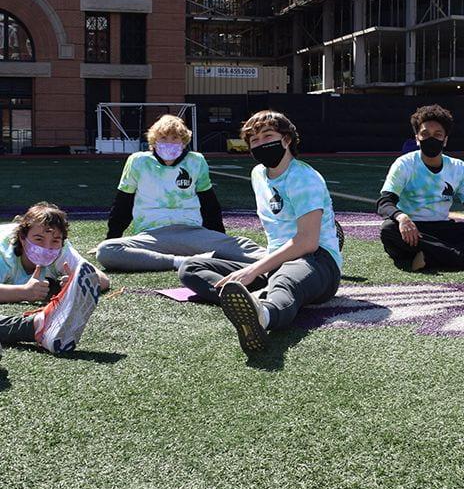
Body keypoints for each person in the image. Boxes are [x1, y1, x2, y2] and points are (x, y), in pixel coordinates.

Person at [179, 111, 341, 357]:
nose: (261, 144)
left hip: (317, 261)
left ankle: (263, 314)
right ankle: (245, 299)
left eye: (268, 136)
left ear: (286, 140)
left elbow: (307, 242)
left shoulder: (304, 178)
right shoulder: (258, 174)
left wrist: (253, 270)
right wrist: (256, 269)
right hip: (275, 259)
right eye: (254, 140)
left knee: (284, 280)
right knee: (190, 268)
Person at [96, 114, 265, 272]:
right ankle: (179, 261)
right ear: (153, 141)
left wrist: (217, 238)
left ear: (184, 142)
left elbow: (209, 203)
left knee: (241, 246)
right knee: (107, 250)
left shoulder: (196, 161)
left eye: (175, 138)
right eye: (163, 138)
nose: (169, 142)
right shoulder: (138, 161)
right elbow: (123, 203)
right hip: (152, 236)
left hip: (192, 232)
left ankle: (282, 260)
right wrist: (112, 237)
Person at [377, 105, 464, 272]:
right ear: (417, 138)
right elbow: (385, 202)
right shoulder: (404, 164)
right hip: (413, 231)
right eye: (425, 134)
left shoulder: (458, 167)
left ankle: (431, 257)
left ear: (445, 140)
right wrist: (402, 218)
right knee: (388, 230)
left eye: (438, 135)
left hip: (444, 229)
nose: (431, 139)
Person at [0, 203, 108, 354]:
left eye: (55, 241)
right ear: (22, 238)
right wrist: (24, 292)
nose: (47, 247)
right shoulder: (3, 253)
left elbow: (100, 279)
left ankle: (40, 325)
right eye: (39, 239)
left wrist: (74, 282)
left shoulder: (61, 250)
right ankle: (39, 325)